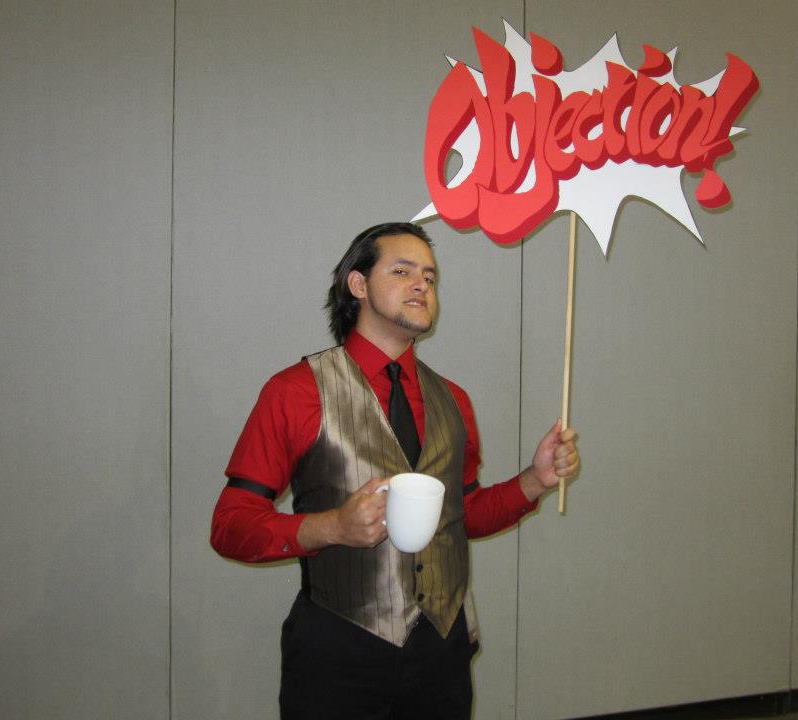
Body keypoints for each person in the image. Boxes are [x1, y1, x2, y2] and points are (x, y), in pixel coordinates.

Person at [211, 222, 579, 719]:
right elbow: (230, 525)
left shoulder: (454, 401)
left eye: (430, 276)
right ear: (358, 284)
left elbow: (463, 517)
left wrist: (534, 481)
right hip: (338, 652)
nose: (422, 284)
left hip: (441, 652)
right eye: (402, 271)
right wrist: (330, 526)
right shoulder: (295, 391)